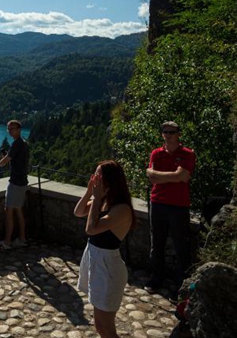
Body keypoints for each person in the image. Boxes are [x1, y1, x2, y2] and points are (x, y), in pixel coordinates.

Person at [74, 160, 135, 338]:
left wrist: (97, 198)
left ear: (109, 180)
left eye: (98, 175)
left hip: (108, 268)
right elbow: (78, 212)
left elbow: (91, 229)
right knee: (100, 325)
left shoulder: (121, 209)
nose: (94, 178)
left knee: (105, 327)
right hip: (96, 261)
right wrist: (89, 192)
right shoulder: (103, 201)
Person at [145, 121, 195, 295]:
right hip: (158, 203)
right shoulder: (156, 153)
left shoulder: (187, 154)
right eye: (165, 131)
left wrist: (159, 175)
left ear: (178, 134)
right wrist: (173, 176)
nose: (168, 134)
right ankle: (155, 279)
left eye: (172, 132)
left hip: (178, 205)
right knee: (156, 243)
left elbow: (183, 176)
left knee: (181, 245)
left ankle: (181, 285)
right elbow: (153, 179)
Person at [0, 119, 30, 251]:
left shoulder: (17, 144)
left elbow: (7, 160)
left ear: (18, 129)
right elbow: (12, 158)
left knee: (9, 211)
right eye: (9, 129)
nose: (10, 131)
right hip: (22, 182)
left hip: (16, 183)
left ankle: (7, 242)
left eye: (12, 128)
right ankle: (22, 239)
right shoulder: (23, 143)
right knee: (18, 211)